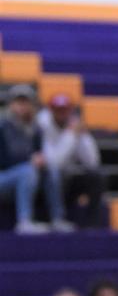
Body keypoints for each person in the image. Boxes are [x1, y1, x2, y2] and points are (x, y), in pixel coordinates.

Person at [0, 84, 71, 233]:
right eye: (18, 102)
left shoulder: (35, 128)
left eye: (25, 102)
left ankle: (57, 218)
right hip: (5, 176)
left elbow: (38, 154)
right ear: (11, 104)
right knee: (27, 170)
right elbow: (4, 160)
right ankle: (24, 221)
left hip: (24, 175)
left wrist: (40, 161)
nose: (22, 106)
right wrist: (30, 160)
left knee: (50, 168)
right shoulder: (2, 126)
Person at [36, 94, 104, 227]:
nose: (62, 114)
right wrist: (71, 135)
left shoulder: (75, 126)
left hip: (69, 179)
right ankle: (55, 219)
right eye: (58, 110)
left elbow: (93, 162)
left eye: (65, 110)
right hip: (48, 181)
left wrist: (83, 137)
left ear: (70, 111)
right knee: (54, 175)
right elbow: (54, 163)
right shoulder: (42, 127)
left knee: (97, 176)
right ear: (51, 111)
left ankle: (92, 225)